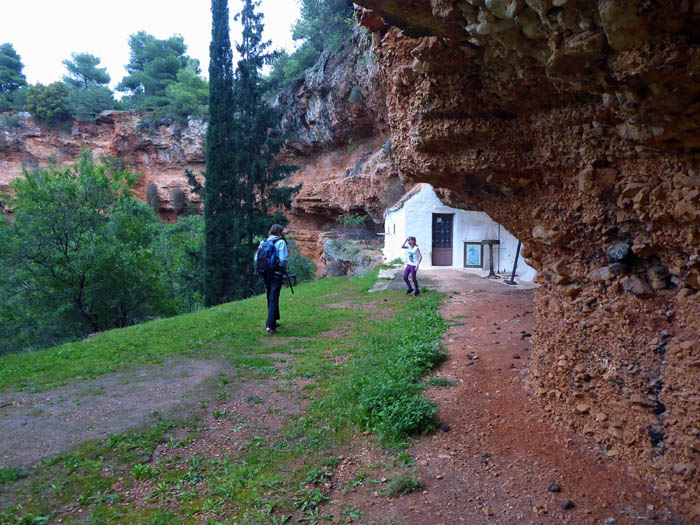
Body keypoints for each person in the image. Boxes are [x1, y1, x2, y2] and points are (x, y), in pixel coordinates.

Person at [256, 224, 289, 334]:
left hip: (265, 273)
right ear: (279, 232)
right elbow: (283, 259)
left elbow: (256, 258)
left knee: (270, 295)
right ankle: (270, 326)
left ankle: (274, 320)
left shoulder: (263, 242)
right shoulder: (281, 242)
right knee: (274, 297)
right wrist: (282, 269)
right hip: (276, 273)